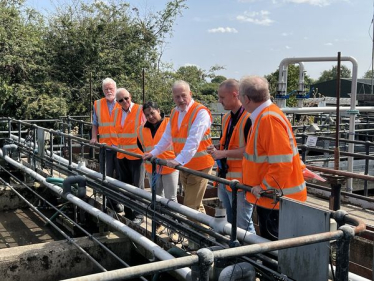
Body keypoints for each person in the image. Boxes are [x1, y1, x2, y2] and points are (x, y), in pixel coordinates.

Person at [143, 80, 214, 249]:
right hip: (184, 165)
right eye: (177, 96)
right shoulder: (175, 113)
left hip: (199, 165)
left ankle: (198, 242)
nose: (181, 99)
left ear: (191, 94)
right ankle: (205, 237)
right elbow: (167, 138)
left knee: (190, 206)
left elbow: (193, 141)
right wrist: (153, 153)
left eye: (184, 95)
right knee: (196, 205)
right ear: (173, 98)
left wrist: (177, 160)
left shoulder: (200, 112)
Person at [239, 75, 307, 240]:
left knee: (274, 252)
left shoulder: (267, 119)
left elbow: (281, 163)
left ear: (246, 99)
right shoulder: (267, 115)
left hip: (276, 200)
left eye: (240, 96)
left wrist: (264, 187)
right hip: (275, 198)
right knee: (272, 250)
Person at [207, 79, 255, 233]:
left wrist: (224, 153)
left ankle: (251, 256)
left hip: (242, 181)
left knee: (243, 223)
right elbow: (228, 144)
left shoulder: (249, 118)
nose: (219, 101)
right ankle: (233, 252)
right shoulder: (227, 118)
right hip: (224, 177)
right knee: (227, 220)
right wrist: (217, 149)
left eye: (222, 97)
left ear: (235, 95)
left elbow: (251, 149)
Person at [137, 101, 179, 234]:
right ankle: (158, 223)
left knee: (171, 198)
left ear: (158, 111)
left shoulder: (170, 124)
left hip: (169, 167)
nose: (150, 116)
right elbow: (140, 146)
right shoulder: (141, 129)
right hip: (152, 168)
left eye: (152, 113)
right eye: (147, 114)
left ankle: (172, 227)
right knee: (156, 196)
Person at [112, 88, 146, 224]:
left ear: (130, 96)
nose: (124, 101)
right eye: (121, 100)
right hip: (122, 154)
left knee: (138, 186)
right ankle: (128, 212)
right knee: (125, 185)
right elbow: (116, 133)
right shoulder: (115, 113)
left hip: (137, 155)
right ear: (117, 102)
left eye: (126, 98)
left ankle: (139, 214)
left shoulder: (140, 110)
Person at [90, 78, 122, 212]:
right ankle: (112, 203)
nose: (109, 91)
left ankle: (120, 203)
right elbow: (95, 124)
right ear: (103, 90)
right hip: (105, 146)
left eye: (111, 89)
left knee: (121, 177)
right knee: (106, 176)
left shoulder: (122, 102)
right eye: (106, 89)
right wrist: (93, 138)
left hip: (121, 147)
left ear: (115, 89)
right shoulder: (97, 104)